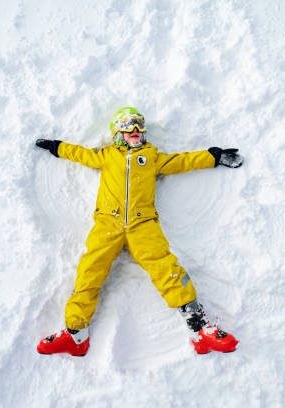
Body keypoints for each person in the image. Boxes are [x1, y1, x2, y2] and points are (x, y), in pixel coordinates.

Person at [35, 107, 243, 356]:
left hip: (143, 225)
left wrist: (213, 157)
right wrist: (57, 147)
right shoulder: (107, 155)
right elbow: (79, 154)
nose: (135, 130)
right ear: (117, 132)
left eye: (139, 125)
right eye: (128, 125)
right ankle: (75, 334)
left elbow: (182, 161)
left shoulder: (151, 156)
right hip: (107, 224)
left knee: (166, 268)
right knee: (89, 270)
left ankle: (199, 329)